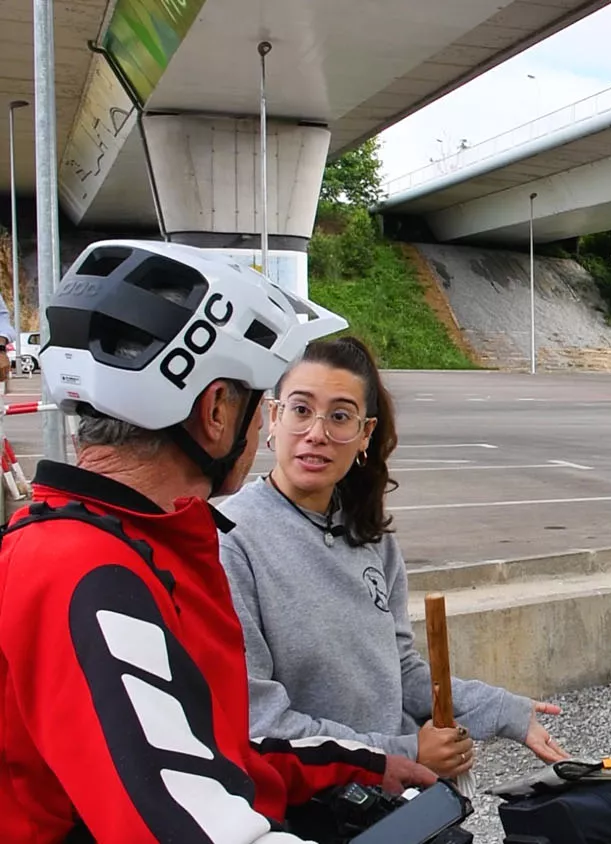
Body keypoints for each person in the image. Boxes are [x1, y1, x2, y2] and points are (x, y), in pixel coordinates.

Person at [0, 240, 435, 843]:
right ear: (216, 411)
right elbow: (189, 822)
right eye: (264, 407)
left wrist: (365, 765)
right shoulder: (88, 574)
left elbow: (211, 752)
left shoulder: (149, 547)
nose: (265, 429)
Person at [216, 334, 569, 780]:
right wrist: (403, 752)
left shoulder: (369, 535)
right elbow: (260, 722)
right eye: (301, 410)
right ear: (272, 417)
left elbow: (398, 670)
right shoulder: (231, 540)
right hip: (312, 802)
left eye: (340, 416)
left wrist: (500, 709)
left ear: (365, 433)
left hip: (390, 797)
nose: (317, 434)